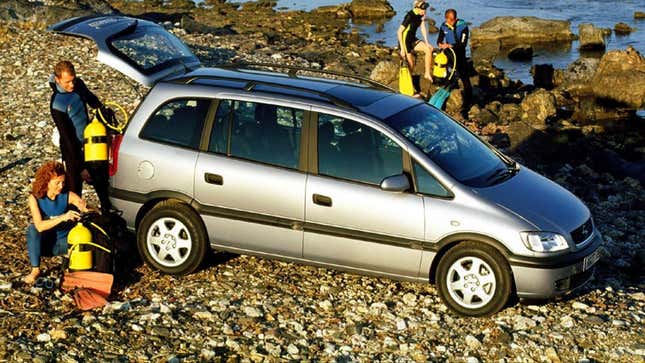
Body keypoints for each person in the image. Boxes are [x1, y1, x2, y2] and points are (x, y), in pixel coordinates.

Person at [49, 60, 112, 212]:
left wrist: (104, 115)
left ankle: (108, 213)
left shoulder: (79, 85)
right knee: (74, 190)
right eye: (67, 82)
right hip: (72, 151)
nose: (71, 85)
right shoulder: (57, 104)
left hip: (91, 143)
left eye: (73, 80)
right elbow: (67, 138)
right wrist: (81, 167)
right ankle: (72, 224)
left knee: (101, 184)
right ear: (57, 80)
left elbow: (93, 101)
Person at [24, 161, 89, 284]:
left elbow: (84, 207)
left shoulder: (68, 195)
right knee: (33, 229)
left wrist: (87, 208)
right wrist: (63, 217)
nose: (61, 186)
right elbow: (40, 226)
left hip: (66, 244)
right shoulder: (34, 198)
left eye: (63, 182)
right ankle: (35, 270)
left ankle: (70, 261)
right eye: (57, 183)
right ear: (46, 182)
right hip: (46, 246)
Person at [437, 9, 472, 107]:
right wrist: (441, 44)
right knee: (448, 74)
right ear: (446, 19)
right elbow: (439, 40)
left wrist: (450, 45)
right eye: (450, 20)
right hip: (449, 54)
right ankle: (447, 92)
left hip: (459, 53)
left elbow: (463, 44)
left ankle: (469, 97)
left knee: (464, 76)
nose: (451, 22)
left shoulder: (463, 26)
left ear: (456, 18)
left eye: (453, 20)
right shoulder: (444, 26)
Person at [398, 0, 434, 95]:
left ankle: (427, 73)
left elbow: (422, 28)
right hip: (405, 42)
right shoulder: (409, 16)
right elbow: (399, 32)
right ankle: (408, 89)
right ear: (418, 8)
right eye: (423, 10)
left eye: (425, 10)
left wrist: (427, 42)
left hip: (413, 39)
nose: (424, 12)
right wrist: (402, 48)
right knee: (411, 65)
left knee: (428, 49)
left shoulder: (421, 15)